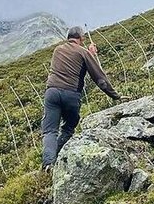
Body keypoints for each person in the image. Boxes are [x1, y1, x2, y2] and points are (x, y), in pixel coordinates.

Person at [41, 26, 122, 171]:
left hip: (51, 92)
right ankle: (57, 159)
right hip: (71, 94)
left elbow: (71, 62)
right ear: (81, 38)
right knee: (68, 128)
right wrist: (115, 96)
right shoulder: (83, 52)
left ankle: (48, 163)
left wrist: (88, 54)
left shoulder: (57, 50)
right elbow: (100, 79)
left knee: (50, 131)